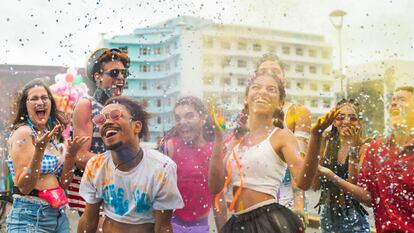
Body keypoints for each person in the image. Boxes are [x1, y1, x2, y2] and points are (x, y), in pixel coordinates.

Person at [208, 71, 338, 233]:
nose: (262, 92)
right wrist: (218, 136)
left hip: (269, 221)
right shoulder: (236, 142)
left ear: (280, 103)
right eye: (256, 87)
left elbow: (303, 182)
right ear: (245, 98)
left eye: (271, 89)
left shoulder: (281, 136)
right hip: (238, 223)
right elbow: (215, 187)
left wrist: (316, 136)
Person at [78, 96, 184, 233]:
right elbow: (88, 221)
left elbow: (163, 228)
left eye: (115, 115)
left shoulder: (161, 169)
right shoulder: (96, 166)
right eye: (101, 119)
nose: (106, 122)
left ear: (136, 126)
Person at [318, 86, 414, 233]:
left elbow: (357, 191)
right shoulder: (377, 149)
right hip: (330, 215)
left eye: (401, 99)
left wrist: (335, 173)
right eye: (392, 100)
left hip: (354, 218)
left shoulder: (367, 147)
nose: (394, 103)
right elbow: (368, 196)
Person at [6, 79, 88, 232]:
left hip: (57, 215)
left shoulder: (51, 138)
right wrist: (39, 152)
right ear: (25, 105)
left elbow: (64, 184)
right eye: (34, 98)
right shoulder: (23, 134)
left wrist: (70, 156)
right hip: (30, 216)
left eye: (45, 98)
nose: (41, 102)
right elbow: (25, 186)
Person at [69, 48, 130, 213]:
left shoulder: (123, 109)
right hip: (90, 193)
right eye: (114, 73)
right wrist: (123, 165)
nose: (121, 78)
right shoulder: (87, 105)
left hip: (115, 191)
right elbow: (81, 157)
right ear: (98, 77)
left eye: (124, 73)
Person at [256, 54, 311, 224]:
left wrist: (299, 205)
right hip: (257, 200)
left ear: (284, 80)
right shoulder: (249, 115)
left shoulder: (297, 112)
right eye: (264, 71)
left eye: (275, 71)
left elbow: (299, 164)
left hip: (287, 199)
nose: (270, 74)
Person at [159, 96, 227, 233]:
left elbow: (218, 197)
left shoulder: (213, 151)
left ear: (203, 119)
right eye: (178, 118)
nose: (182, 122)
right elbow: (158, 193)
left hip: (200, 227)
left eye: (189, 116)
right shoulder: (170, 147)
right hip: (171, 224)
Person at [312, 99, 370, 232]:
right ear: (334, 121)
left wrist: (353, 149)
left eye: (353, 118)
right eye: (340, 117)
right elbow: (314, 185)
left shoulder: (363, 148)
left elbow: (354, 191)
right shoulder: (327, 142)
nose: (346, 121)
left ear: (359, 123)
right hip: (328, 213)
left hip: (353, 217)